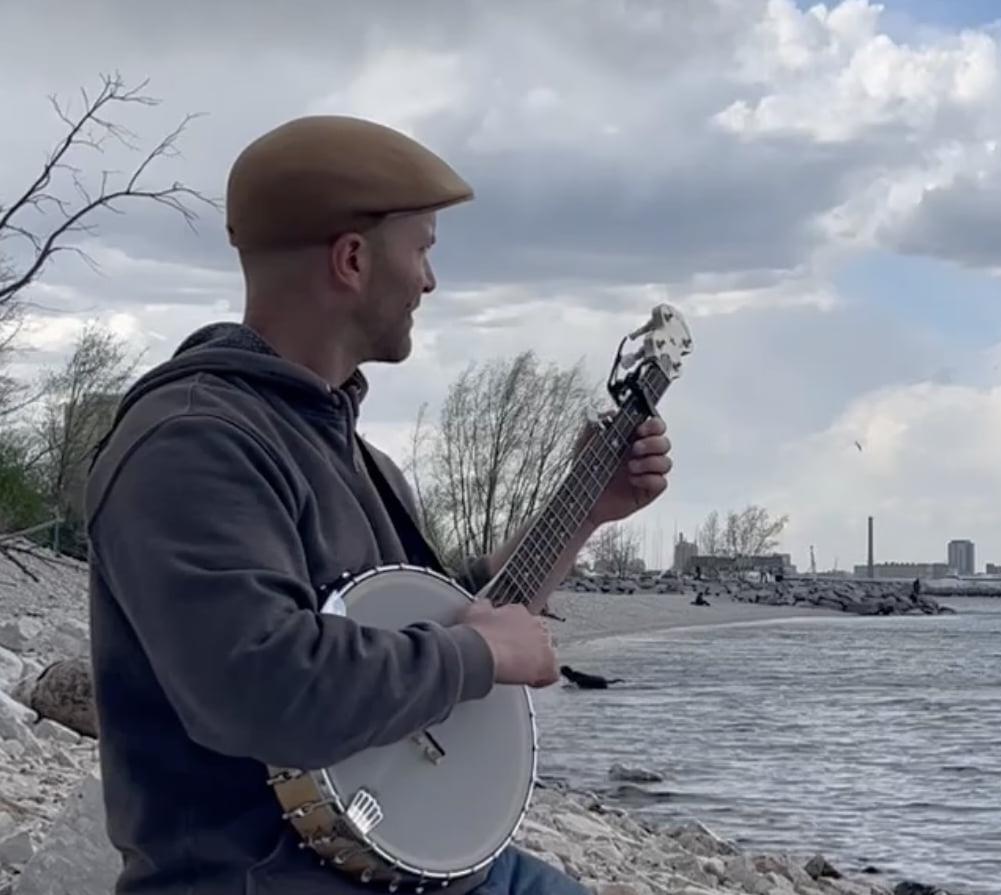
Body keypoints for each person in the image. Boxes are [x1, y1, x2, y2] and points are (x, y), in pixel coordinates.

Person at [84, 115, 672, 895]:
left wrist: (585, 507)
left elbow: (449, 618)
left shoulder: (353, 452)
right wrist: (480, 656)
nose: (431, 281)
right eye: (423, 249)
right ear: (353, 259)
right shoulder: (193, 444)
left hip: (406, 868)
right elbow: (263, 685)